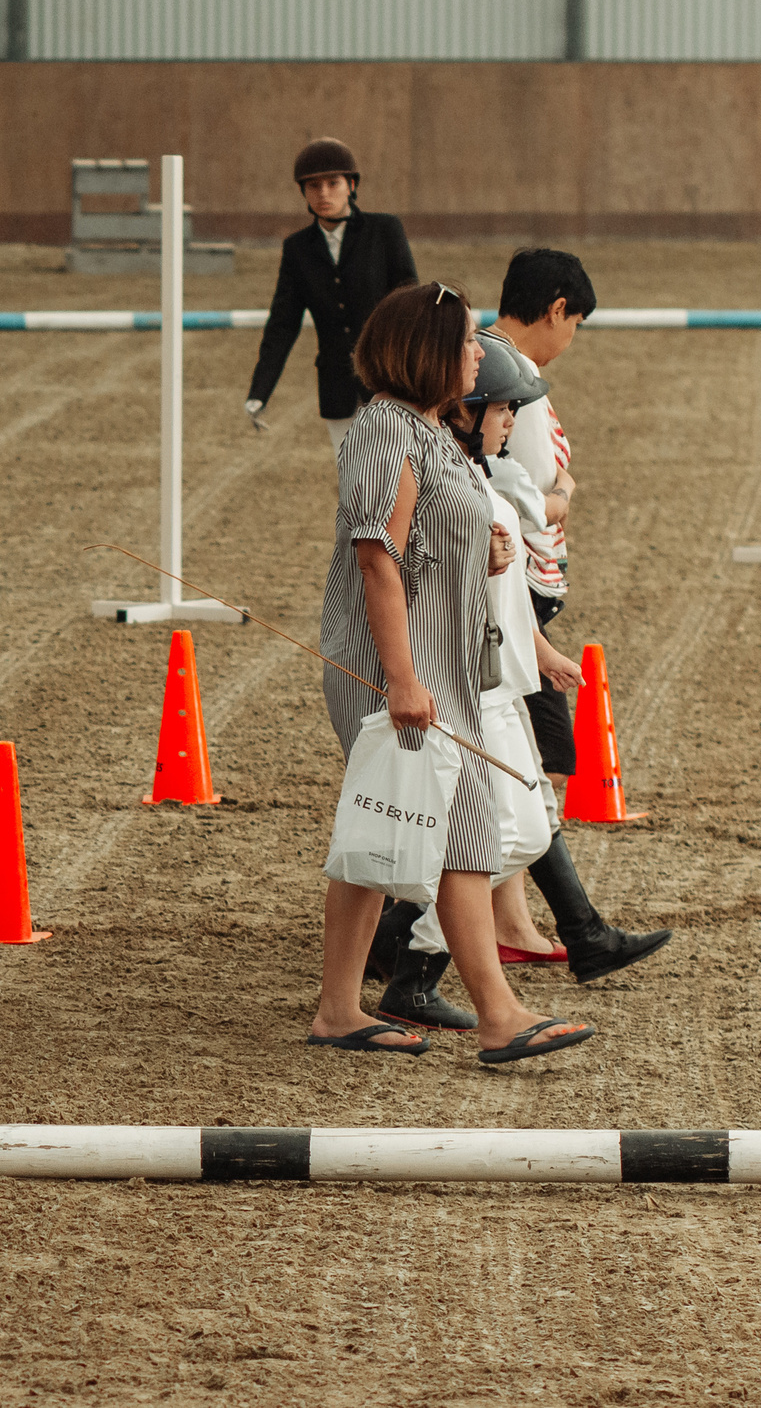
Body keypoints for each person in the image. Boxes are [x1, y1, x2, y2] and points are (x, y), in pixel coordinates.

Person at [307, 281, 594, 1064]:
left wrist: (486, 552)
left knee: (384, 823)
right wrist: (400, 678)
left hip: (442, 668)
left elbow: (435, 537)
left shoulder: (429, 431)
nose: (479, 353)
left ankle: (339, 1008)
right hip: (400, 668)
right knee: (460, 826)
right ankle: (499, 1013)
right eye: (469, 341)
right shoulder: (384, 432)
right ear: (429, 351)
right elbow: (377, 556)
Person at [372, 341, 579, 1029]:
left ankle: (412, 952)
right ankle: (417, 966)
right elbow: (410, 575)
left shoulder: (478, 473)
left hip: (500, 679)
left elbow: (505, 588)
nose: (509, 419)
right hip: (464, 683)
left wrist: (539, 648)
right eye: (503, 407)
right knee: (502, 833)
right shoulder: (443, 477)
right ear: (465, 411)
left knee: (521, 834)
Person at [480, 250, 673, 983]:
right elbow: (519, 493)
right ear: (557, 306)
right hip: (514, 595)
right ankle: (417, 931)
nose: (572, 338)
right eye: (577, 324)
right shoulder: (511, 384)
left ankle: (524, 921)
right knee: (531, 764)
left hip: (520, 599)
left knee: (524, 765)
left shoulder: (502, 370)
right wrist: (563, 493)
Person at [246, 138, 418, 452]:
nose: (323, 193)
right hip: (336, 386)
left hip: (390, 380)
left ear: (351, 185)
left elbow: (410, 305)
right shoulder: (297, 249)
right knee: (351, 481)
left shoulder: (385, 231)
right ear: (303, 192)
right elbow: (283, 324)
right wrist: (260, 390)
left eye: (332, 183)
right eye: (313, 186)